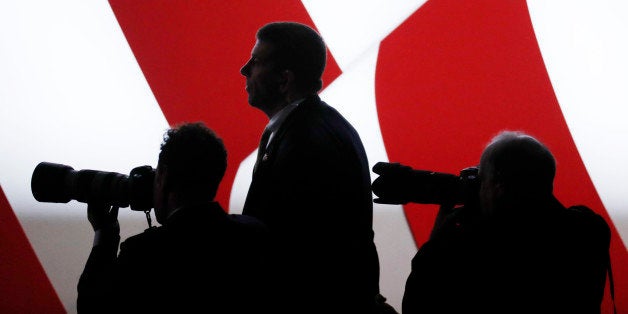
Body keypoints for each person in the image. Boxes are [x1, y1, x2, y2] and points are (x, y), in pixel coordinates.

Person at [240, 21, 391, 313]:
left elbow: (295, 249)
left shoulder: (304, 141)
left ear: (284, 80)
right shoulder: (324, 126)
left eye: (256, 62)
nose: (244, 70)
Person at [399, 130, 612, 314]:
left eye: (482, 180)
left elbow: (418, 306)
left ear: (498, 186)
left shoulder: (476, 249)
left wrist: (439, 243)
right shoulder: (587, 230)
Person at [77, 122, 271, 313]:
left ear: (164, 176)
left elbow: (92, 307)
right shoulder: (254, 235)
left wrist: (105, 234)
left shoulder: (143, 253)